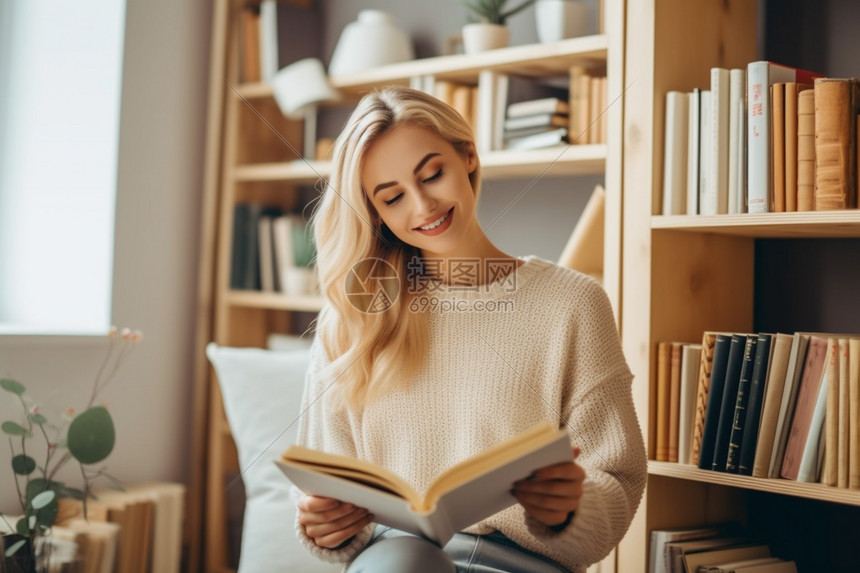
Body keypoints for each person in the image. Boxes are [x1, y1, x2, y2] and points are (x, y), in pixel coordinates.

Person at [293, 86, 646, 573]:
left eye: (433, 174)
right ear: (376, 214)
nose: (422, 206)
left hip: (522, 563)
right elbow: (323, 484)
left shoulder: (573, 304)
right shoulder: (354, 316)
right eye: (393, 197)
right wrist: (325, 527)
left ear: (468, 156)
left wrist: (568, 508)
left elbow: (617, 478)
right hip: (398, 560)